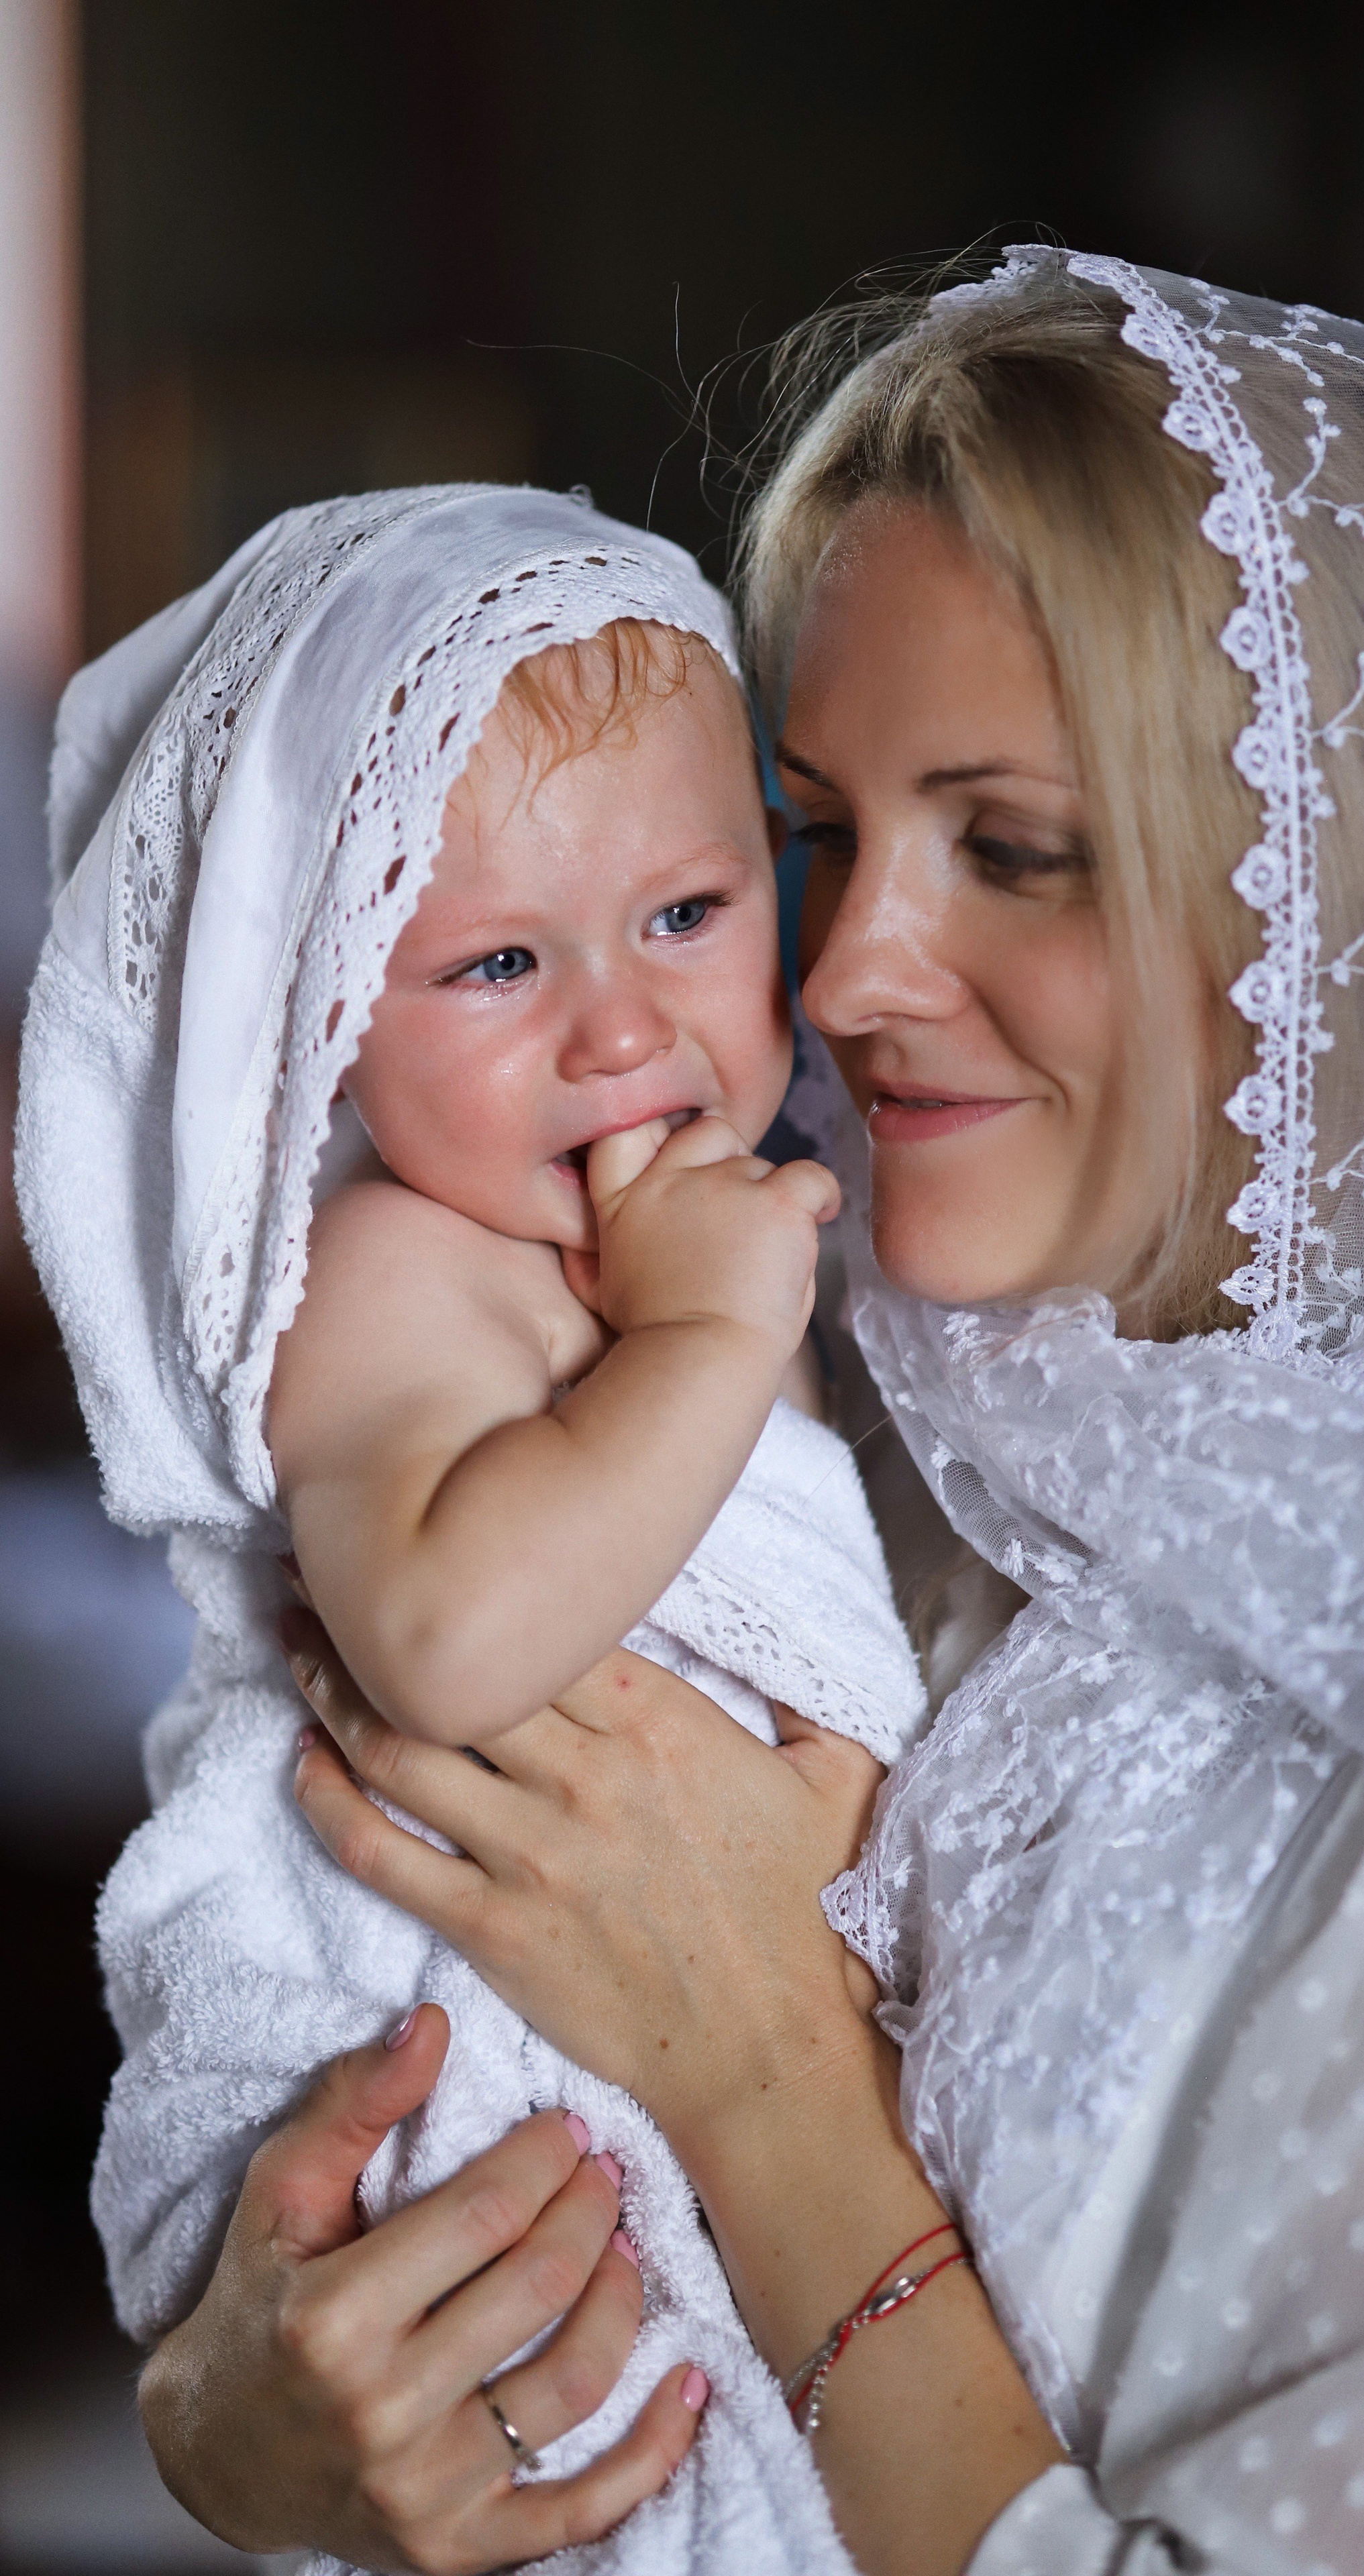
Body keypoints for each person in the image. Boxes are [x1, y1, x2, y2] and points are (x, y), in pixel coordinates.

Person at [140, 248, 1364, 2576]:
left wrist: (771, 2077)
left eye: (1015, 848)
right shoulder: (824, 1423)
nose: (853, 976)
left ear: (1336, 917)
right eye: (813, 837)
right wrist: (242, 2416)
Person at [16, 486, 931, 2575]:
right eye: (498, 961)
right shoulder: (394, 1274)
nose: (620, 1029)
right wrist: (705, 1332)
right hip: (475, 2060)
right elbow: (440, 1643)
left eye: (689, 915)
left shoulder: (716, 1209)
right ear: (321, 1018)